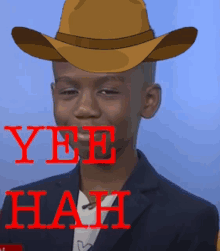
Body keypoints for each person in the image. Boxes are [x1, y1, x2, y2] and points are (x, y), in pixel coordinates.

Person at [0, 0, 219, 250]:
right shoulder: (22, 208)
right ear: (53, 95)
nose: (85, 109)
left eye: (107, 91)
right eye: (69, 91)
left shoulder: (188, 219)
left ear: (148, 101)